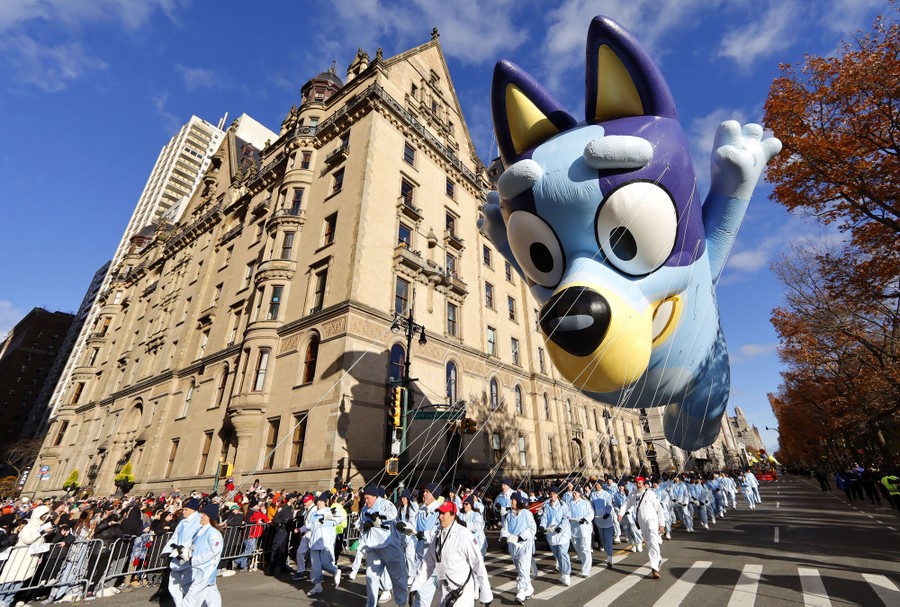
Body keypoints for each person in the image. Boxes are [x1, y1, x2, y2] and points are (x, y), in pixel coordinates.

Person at [410, 501, 492, 607]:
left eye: (444, 513)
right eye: (439, 513)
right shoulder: (437, 535)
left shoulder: (463, 534)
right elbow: (427, 562)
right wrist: (416, 585)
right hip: (444, 593)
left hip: (462, 595)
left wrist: (486, 593)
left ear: (453, 515)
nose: (440, 517)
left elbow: (478, 563)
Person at [359, 484, 408, 607]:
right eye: (365, 498)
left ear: (375, 497)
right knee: (370, 576)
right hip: (373, 546)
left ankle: (401, 604)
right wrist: (365, 526)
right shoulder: (365, 508)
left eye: (368, 498)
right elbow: (361, 523)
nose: (366, 501)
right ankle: (371, 604)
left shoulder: (385, 503)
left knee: (398, 577)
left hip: (389, 544)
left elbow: (392, 514)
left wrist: (379, 516)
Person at [0, 505, 51, 607]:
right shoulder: (30, 526)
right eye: (44, 514)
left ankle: (7, 602)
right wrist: (41, 532)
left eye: (46, 514)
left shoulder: (40, 527)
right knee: (10, 580)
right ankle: (1, 600)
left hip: (31, 559)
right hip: (20, 558)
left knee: (19, 582)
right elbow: (27, 539)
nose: (46, 516)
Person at [183, 503, 224, 607]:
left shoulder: (213, 533)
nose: (201, 516)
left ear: (209, 517)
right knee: (211, 597)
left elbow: (214, 551)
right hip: (198, 569)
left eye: (204, 514)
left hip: (205, 570)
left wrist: (195, 559)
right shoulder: (200, 530)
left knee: (191, 597)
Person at [626, 477, 665, 580]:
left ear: (643, 483)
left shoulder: (650, 493)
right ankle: (658, 559)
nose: (638, 485)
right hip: (642, 523)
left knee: (653, 542)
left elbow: (659, 509)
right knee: (648, 543)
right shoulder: (633, 494)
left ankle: (654, 568)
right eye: (637, 483)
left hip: (652, 521)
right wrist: (621, 513)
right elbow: (626, 504)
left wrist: (662, 524)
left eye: (640, 483)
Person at [165, 497, 202, 607]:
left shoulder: (200, 521)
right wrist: (167, 550)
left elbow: (198, 539)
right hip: (178, 557)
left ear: (193, 510)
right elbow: (175, 537)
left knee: (187, 585)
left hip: (189, 558)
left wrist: (188, 553)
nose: (183, 511)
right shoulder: (182, 523)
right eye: (183, 509)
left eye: (186, 509)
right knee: (173, 584)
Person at [500, 492, 536, 605]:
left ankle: (520, 592)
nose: (511, 502)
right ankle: (529, 588)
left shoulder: (526, 514)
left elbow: (532, 528)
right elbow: (505, 528)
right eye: (511, 500)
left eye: (513, 500)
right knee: (520, 568)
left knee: (523, 567)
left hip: (524, 545)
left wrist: (521, 537)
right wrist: (504, 537)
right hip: (513, 546)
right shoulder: (509, 515)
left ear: (518, 501)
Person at [412, 483, 444, 607]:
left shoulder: (440, 511)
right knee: (422, 596)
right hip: (424, 561)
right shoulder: (421, 510)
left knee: (445, 594)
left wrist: (424, 534)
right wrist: (405, 528)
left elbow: (440, 531)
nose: (424, 494)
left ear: (434, 495)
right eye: (424, 491)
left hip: (439, 561)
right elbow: (413, 525)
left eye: (427, 491)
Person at [306, 494, 344, 597]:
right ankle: (317, 585)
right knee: (315, 565)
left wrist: (329, 516)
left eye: (321, 501)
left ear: (325, 502)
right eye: (317, 501)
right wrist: (301, 529)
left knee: (325, 564)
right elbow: (311, 525)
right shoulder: (314, 513)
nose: (318, 503)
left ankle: (336, 571)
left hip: (325, 542)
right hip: (314, 541)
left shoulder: (329, 510)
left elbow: (341, 518)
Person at [539, 486, 571, 586]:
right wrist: (542, 526)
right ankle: (562, 573)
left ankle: (566, 574)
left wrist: (560, 527)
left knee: (563, 553)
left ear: (557, 495)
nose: (552, 495)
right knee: (557, 555)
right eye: (550, 493)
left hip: (562, 534)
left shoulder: (563, 505)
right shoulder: (547, 506)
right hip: (551, 534)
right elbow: (544, 517)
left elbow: (566, 518)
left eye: (554, 493)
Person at [566, 486, 593, 577]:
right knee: (578, 549)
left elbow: (591, 513)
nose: (574, 494)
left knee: (585, 549)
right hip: (573, 529)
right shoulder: (569, 504)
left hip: (584, 529)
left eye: (575, 493)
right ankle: (583, 563)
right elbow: (566, 514)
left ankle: (586, 570)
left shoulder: (585, 503)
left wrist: (585, 519)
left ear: (579, 494)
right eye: (573, 493)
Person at [589, 480, 616, 570]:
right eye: (595, 485)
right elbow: (592, 507)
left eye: (598, 485)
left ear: (601, 485)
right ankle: (608, 553)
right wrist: (591, 516)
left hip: (607, 519)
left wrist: (607, 513)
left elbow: (609, 504)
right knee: (603, 540)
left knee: (608, 539)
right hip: (598, 520)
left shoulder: (607, 494)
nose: (597, 486)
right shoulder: (592, 495)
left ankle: (609, 557)